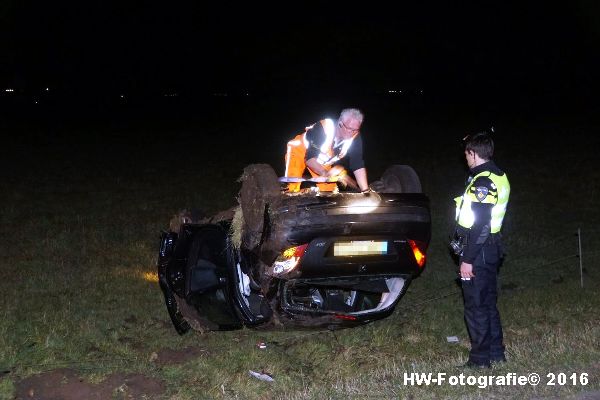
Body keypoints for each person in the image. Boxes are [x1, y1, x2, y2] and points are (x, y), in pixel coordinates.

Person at [453, 131, 510, 368]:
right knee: (487, 304)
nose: (465, 158)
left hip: (479, 251)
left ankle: (479, 360)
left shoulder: (483, 182)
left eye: (467, 153)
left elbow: (481, 225)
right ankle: (496, 353)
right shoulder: (498, 175)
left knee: (476, 306)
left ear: (473, 154)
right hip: (490, 249)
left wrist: (467, 259)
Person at [284, 108, 369, 192]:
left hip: (321, 160)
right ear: (340, 123)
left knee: (329, 192)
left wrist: (365, 191)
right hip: (299, 151)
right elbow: (309, 159)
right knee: (292, 186)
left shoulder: (355, 137)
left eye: (355, 130)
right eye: (349, 128)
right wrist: (326, 174)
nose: (352, 133)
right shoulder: (324, 128)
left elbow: (358, 165)